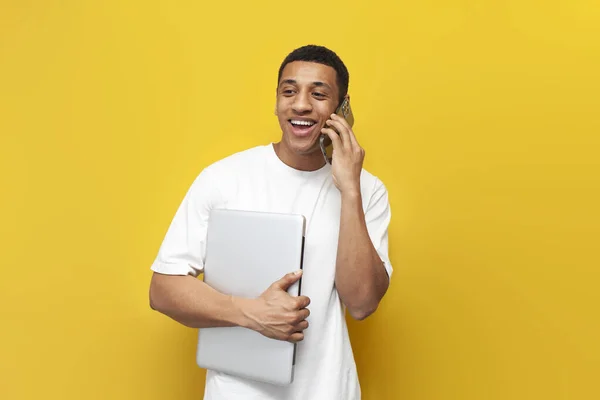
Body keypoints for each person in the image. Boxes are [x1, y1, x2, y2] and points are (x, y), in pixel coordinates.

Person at [148, 44, 393, 400]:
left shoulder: (367, 191)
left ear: (342, 108)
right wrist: (250, 313)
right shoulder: (223, 178)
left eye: (319, 94)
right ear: (277, 100)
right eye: (289, 91)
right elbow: (162, 289)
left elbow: (361, 303)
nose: (301, 104)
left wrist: (349, 190)